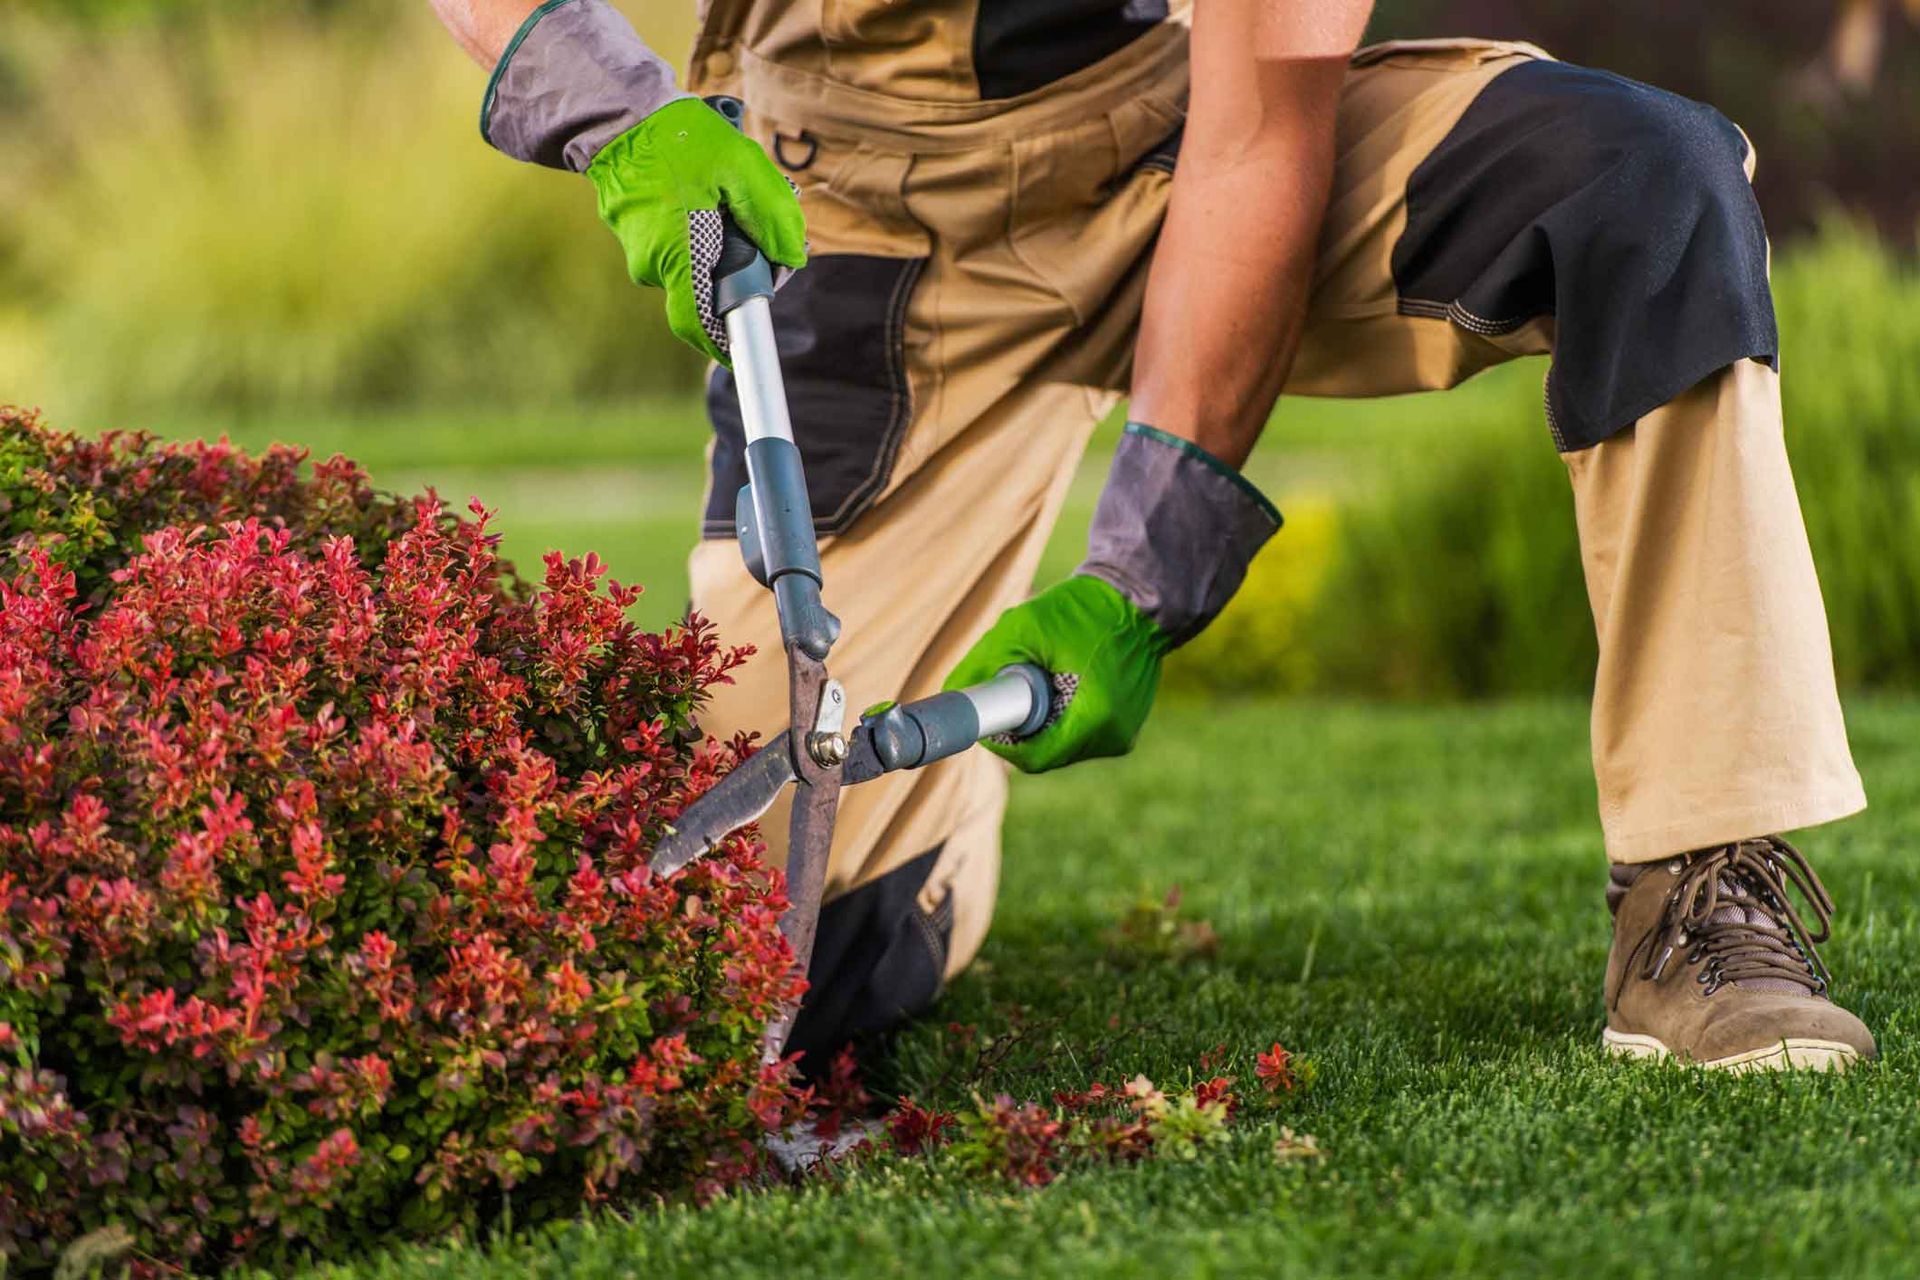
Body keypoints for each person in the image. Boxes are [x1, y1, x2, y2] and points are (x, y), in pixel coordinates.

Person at [431, 0, 1875, 1073]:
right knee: (783, 956)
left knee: (1646, 183)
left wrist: (1139, 575)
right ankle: (930, 831)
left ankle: (1702, 886)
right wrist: (622, 111)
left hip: (1178, 142)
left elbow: (1258, 136)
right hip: (865, 220)